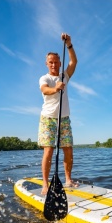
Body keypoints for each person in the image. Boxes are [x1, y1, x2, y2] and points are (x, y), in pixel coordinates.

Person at [38, 32, 79, 195]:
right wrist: (56, 88)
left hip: (64, 119)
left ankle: (68, 180)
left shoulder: (64, 76)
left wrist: (69, 44)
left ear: (60, 63)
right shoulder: (44, 78)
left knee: (68, 149)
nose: (53, 65)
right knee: (48, 151)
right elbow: (45, 90)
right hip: (48, 119)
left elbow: (74, 62)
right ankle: (45, 184)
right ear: (47, 63)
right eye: (50, 62)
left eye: (56, 62)